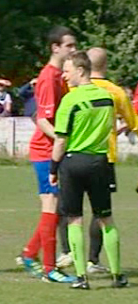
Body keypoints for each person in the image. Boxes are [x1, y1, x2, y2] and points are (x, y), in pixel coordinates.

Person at [56, 47, 138, 274]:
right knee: (102, 213)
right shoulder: (116, 92)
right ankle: (94, 260)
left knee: (70, 211)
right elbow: (134, 123)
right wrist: (121, 126)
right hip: (104, 157)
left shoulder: (71, 89)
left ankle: (69, 253)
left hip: (73, 156)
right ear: (106, 65)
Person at [18, 26, 77, 283]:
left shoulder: (60, 76)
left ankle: (31, 254)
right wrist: (62, 141)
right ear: (56, 48)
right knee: (51, 206)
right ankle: (49, 268)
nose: (74, 50)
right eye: (70, 46)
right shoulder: (49, 77)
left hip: (54, 149)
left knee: (57, 208)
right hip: (45, 151)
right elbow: (42, 120)